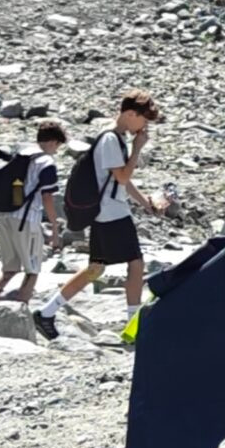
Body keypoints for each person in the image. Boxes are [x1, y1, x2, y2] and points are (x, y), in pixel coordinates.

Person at [35, 91, 161, 338]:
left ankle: (46, 312)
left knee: (95, 268)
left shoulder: (113, 139)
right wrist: (137, 149)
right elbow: (122, 177)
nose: (145, 125)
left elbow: (119, 181)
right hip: (112, 213)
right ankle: (134, 328)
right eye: (144, 119)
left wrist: (145, 202)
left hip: (106, 212)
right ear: (129, 114)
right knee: (136, 265)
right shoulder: (111, 140)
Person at [0, 121, 68, 310]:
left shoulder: (18, 154)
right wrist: (54, 227)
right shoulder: (46, 162)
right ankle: (21, 308)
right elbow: (47, 197)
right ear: (53, 142)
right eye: (58, 146)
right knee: (33, 268)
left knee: (10, 266)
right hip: (26, 219)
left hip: (3, 214)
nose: (57, 151)